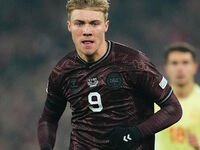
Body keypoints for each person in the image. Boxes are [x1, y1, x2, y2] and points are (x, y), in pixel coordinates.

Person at [37, 0, 182, 150]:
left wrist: (135, 133)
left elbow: (173, 109)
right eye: (79, 23)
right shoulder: (62, 71)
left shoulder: (134, 63)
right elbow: (48, 119)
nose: (87, 30)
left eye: (94, 23)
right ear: (69, 26)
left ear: (105, 26)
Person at [156, 42, 200, 150]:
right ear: (166, 68)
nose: (180, 68)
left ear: (195, 67)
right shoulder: (154, 101)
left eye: (185, 63)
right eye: (174, 63)